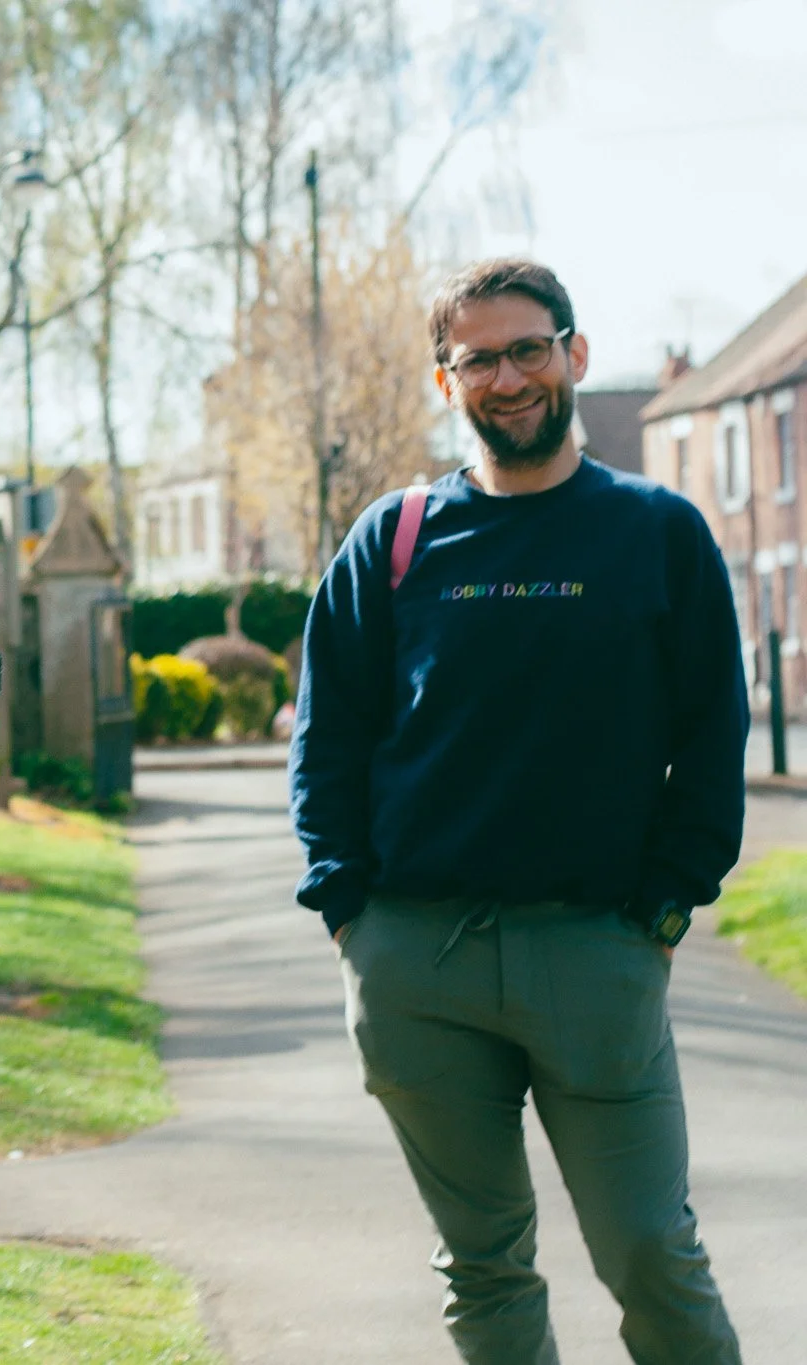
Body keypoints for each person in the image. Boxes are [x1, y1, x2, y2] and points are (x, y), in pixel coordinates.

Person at [290, 258, 747, 1365]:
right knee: (482, 1267)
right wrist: (350, 914)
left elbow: (711, 735)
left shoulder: (657, 533)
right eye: (477, 357)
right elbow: (327, 736)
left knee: (649, 1251)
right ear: (444, 380)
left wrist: (663, 906)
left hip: (596, 952)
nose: (506, 376)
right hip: (415, 969)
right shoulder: (392, 540)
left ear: (573, 355)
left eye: (526, 348)